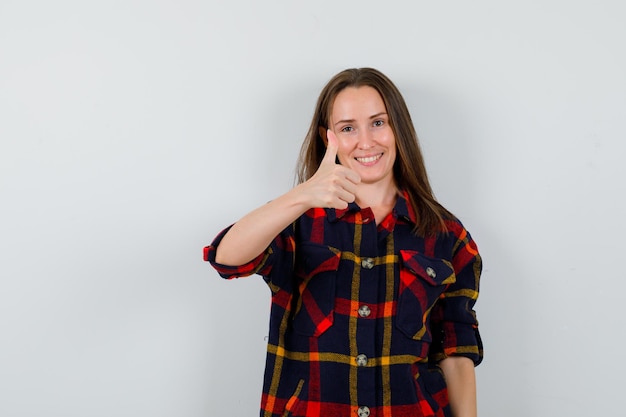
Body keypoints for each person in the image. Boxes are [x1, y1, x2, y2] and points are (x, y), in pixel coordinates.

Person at [204, 68, 483, 417]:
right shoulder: (298, 221)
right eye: (348, 128)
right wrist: (302, 195)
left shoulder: (447, 236)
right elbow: (227, 258)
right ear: (328, 138)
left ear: (398, 127)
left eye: (378, 123)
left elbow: (455, 355)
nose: (366, 142)